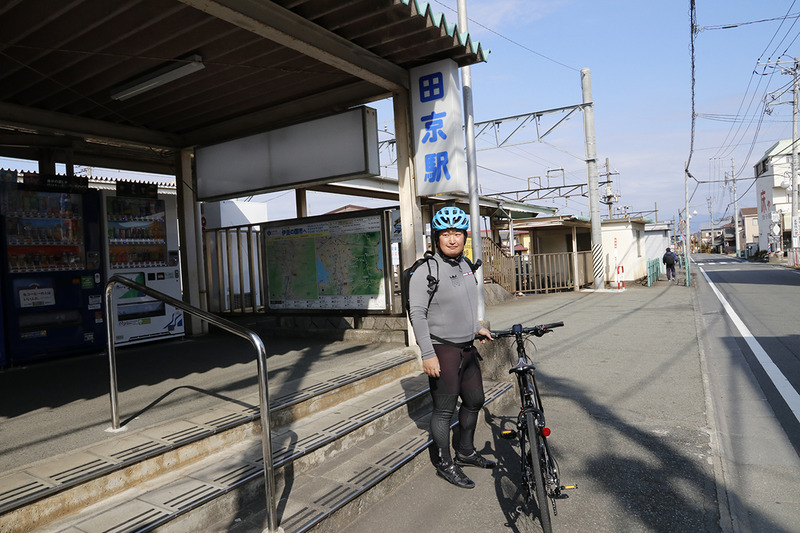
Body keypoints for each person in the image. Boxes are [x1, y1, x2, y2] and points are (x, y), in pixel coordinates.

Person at [408, 206, 495, 490]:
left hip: (467, 348)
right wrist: (427, 353)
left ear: (464, 236)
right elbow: (417, 314)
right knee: (444, 411)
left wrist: (476, 327)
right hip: (443, 349)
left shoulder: (466, 265)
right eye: (446, 233)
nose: (453, 239)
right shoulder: (426, 270)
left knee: (474, 400)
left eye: (457, 233)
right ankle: (446, 463)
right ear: (437, 237)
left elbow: (465, 305)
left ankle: (466, 451)